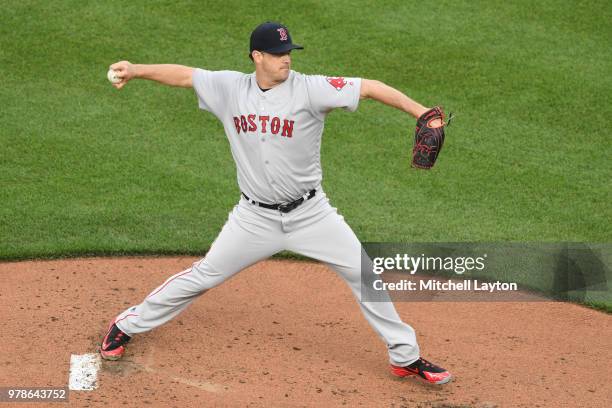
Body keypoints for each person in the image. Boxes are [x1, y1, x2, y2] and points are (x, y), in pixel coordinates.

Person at [100, 21, 452, 385]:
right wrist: (137, 70)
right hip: (253, 219)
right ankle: (126, 324)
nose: (286, 60)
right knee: (204, 275)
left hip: (312, 214)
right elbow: (187, 75)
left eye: (289, 53)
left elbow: (370, 88)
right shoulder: (230, 88)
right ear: (257, 56)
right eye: (278, 54)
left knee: (365, 276)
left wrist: (422, 112)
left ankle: (405, 357)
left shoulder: (311, 89)